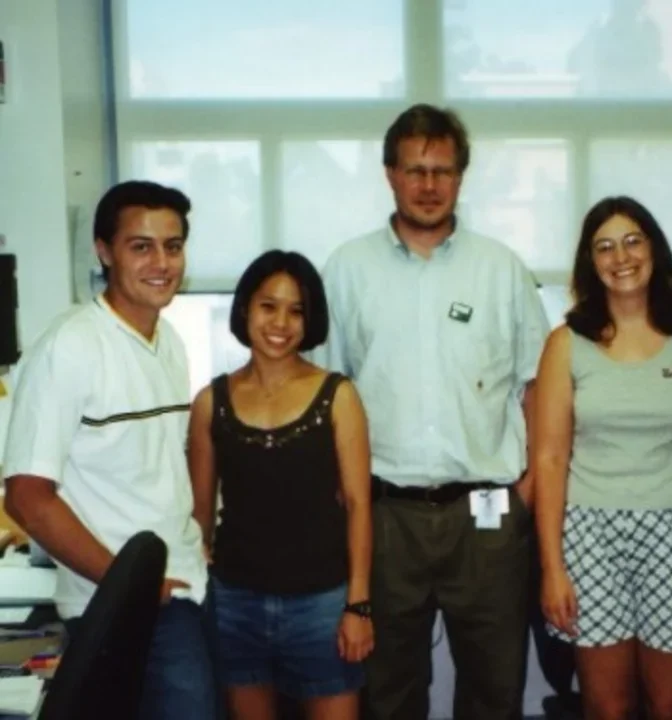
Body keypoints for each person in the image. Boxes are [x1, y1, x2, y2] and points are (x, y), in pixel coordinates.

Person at [321, 103, 551, 720]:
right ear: (390, 173)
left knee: (495, 690)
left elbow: (538, 390)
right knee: (389, 691)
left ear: (461, 177)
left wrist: (526, 493)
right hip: (385, 517)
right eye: (415, 170)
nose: (428, 185)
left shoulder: (501, 270)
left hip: (489, 519)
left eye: (443, 171)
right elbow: (325, 393)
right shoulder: (346, 270)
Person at [2, 180, 219, 718]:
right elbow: (27, 497)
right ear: (103, 250)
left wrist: (197, 538)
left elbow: (161, 466)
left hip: (184, 585)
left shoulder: (167, 341)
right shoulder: (69, 347)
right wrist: (128, 583)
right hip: (126, 602)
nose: (162, 262)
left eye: (173, 245)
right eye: (140, 246)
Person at [534, 195, 672, 720]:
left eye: (632, 241)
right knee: (607, 704)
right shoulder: (565, 344)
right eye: (604, 247)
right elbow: (551, 459)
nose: (620, 257)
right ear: (590, 263)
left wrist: (669, 477)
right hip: (590, 535)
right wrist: (553, 567)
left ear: (654, 249)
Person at [187, 250, 373, 720]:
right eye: (269, 306)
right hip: (237, 603)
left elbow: (358, 505)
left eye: (296, 311)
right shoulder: (212, 402)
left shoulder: (339, 395)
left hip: (322, 604)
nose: (281, 323)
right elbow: (200, 516)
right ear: (246, 308)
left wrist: (359, 606)